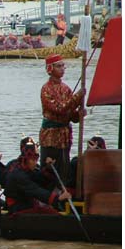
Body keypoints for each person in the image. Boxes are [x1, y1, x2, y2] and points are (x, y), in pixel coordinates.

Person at [39, 54, 86, 183]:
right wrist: (77, 97)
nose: (62, 69)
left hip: (65, 136)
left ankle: (65, 190)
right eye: (58, 66)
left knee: (65, 171)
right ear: (50, 68)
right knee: (50, 172)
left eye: (63, 66)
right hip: (50, 137)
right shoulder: (46, 89)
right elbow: (60, 109)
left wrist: (79, 114)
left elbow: (71, 115)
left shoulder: (66, 89)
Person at [4, 141, 71, 214]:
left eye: (36, 160)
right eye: (33, 160)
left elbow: (40, 179)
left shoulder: (26, 170)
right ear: (26, 160)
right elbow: (35, 190)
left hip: (25, 203)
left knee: (49, 209)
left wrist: (48, 168)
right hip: (16, 207)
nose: (35, 163)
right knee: (50, 212)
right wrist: (57, 198)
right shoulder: (18, 175)